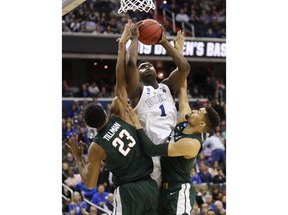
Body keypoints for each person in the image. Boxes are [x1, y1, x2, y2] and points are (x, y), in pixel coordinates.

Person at [66, 20, 161, 215]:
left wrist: (77, 156)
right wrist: (122, 45)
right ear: (104, 112)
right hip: (150, 186)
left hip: (128, 192)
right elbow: (121, 80)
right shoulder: (121, 114)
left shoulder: (96, 146)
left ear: (89, 126)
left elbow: (90, 183)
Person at [126, 37, 221, 215]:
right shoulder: (182, 122)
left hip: (174, 183)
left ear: (201, 123)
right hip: (158, 172)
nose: (193, 110)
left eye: (198, 112)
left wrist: (137, 124)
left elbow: (153, 148)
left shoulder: (191, 143)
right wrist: (178, 49)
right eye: (142, 67)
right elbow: (183, 86)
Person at [125, 21, 191, 187]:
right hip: (151, 153)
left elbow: (184, 68)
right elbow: (130, 64)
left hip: (173, 147)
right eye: (142, 67)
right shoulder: (137, 92)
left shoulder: (167, 86)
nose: (146, 66)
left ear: (156, 72)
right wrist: (134, 39)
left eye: (149, 65)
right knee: (155, 197)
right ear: (138, 76)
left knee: (172, 196)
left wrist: (165, 42)